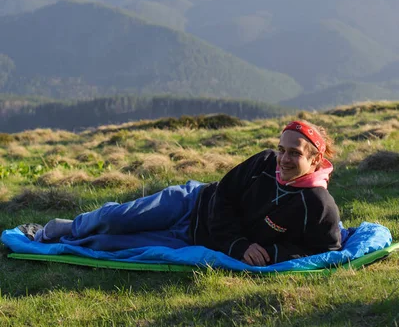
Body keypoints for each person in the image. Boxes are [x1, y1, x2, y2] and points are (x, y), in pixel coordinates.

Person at [27, 120, 341, 266]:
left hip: (193, 239)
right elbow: (223, 197)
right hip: (190, 203)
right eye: (281, 149)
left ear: (315, 159)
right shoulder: (263, 162)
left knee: (109, 244)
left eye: (294, 154)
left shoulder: (317, 204)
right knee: (113, 219)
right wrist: (239, 244)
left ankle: (70, 241)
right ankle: (60, 228)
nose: (283, 159)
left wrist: (273, 255)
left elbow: (324, 250)